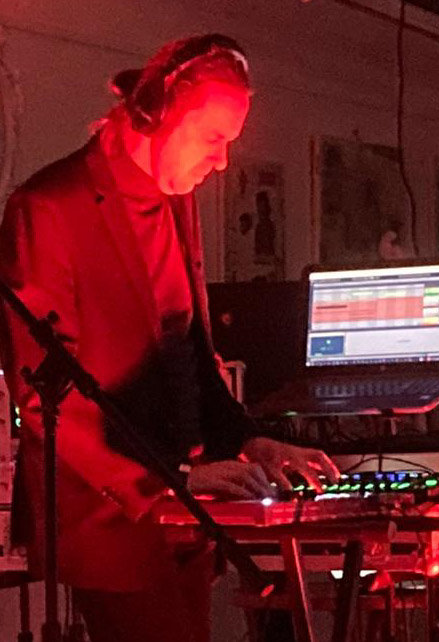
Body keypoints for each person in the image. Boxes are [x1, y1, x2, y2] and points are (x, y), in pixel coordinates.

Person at [0, 34, 339, 642]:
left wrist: (249, 440)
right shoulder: (48, 208)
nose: (223, 163)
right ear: (157, 114)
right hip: (114, 521)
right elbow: (45, 399)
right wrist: (165, 482)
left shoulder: (174, 200)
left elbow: (187, 352)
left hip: (184, 517)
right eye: (213, 139)